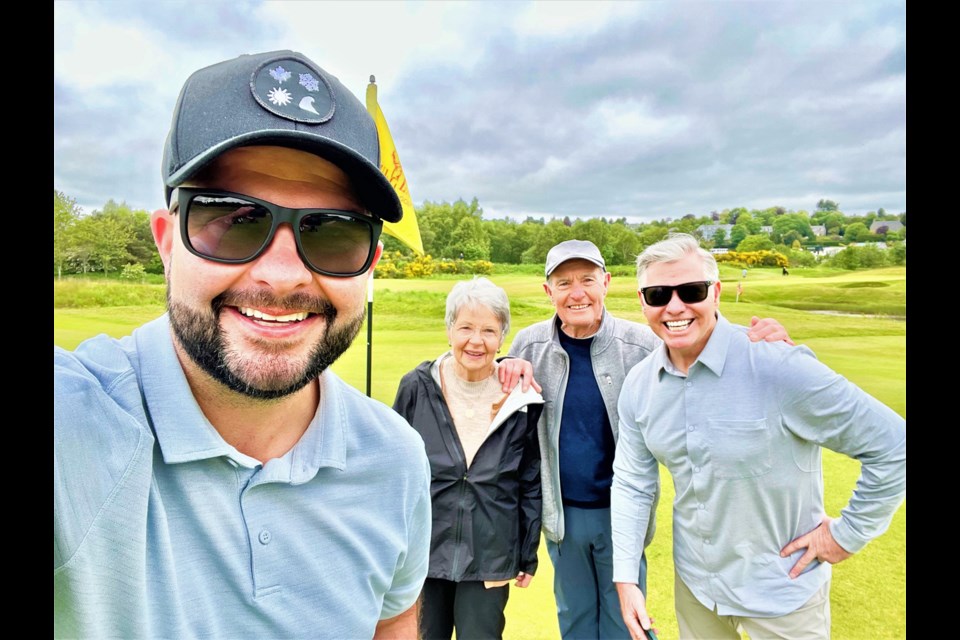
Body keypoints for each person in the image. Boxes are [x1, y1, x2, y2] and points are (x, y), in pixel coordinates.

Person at [54, 50, 432, 639]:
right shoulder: (73, 424)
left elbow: (394, 623)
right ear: (167, 243)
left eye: (333, 232)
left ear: (371, 265)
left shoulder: (396, 459)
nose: (282, 277)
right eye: (234, 218)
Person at [611, 233, 906, 639]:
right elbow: (632, 483)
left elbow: (895, 446)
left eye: (691, 290)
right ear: (643, 301)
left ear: (715, 292)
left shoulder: (777, 366)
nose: (674, 306)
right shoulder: (639, 384)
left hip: (781, 594)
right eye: (659, 293)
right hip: (698, 590)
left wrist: (847, 536)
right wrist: (626, 577)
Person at [503, 239, 792, 639]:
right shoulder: (529, 344)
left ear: (606, 282)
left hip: (622, 510)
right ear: (548, 291)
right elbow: (487, 381)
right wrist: (503, 362)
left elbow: (696, 352)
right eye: (564, 282)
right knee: (574, 619)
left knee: (627, 621)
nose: (577, 293)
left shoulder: (641, 344)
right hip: (561, 516)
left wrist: (755, 344)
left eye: (587, 279)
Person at [392, 277, 544, 639]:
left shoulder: (520, 399)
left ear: (502, 337)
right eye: (466, 328)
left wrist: (527, 552)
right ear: (449, 331)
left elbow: (528, 479)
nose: (476, 341)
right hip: (425, 551)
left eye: (489, 330)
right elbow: (393, 470)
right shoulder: (416, 386)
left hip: (491, 552)